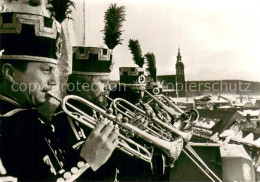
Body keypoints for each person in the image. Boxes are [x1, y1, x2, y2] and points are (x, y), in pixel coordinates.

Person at [0, 10, 118, 182]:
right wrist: (87, 161)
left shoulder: (34, 120)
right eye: (47, 70)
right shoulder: (7, 127)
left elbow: (58, 172)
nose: (54, 81)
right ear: (10, 73)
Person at [109, 67, 184, 181]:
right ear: (122, 91)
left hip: (150, 166)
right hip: (129, 169)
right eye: (135, 91)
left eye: (142, 91)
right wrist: (129, 131)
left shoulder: (145, 107)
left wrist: (155, 118)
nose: (140, 96)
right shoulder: (114, 110)